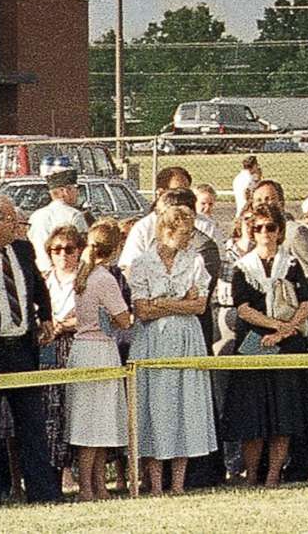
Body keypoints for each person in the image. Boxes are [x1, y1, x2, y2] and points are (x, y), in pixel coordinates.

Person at [0, 197, 57, 507]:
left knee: (32, 423)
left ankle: (42, 492)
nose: (17, 227)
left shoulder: (21, 250)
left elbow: (38, 286)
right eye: (10, 221)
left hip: (22, 348)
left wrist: (45, 316)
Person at [127, 202, 214, 495]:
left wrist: (162, 301)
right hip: (152, 343)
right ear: (168, 230)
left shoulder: (194, 261)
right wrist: (179, 303)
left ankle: (177, 483)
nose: (190, 238)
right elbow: (142, 311)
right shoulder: (142, 263)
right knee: (155, 404)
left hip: (186, 341)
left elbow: (199, 305)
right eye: (185, 232)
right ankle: (154, 483)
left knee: (184, 403)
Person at [229, 203, 308, 485]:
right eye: (258, 228)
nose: (264, 233)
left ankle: (274, 474)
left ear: (279, 231)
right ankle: (252, 473)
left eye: (270, 227)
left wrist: (285, 330)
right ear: (251, 232)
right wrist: (274, 325)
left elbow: (306, 304)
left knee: (284, 412)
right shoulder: (242, 267)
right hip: (252, 342)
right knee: (253, 414)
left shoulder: (290, 264)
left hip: (289, 343)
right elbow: (242, 308)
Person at [28, 169, 89, 254]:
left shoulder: (36, 216)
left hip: (37, 266)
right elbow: (82, 248)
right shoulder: (74, 215)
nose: (77, 193)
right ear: (65, 191)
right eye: (75, 188)